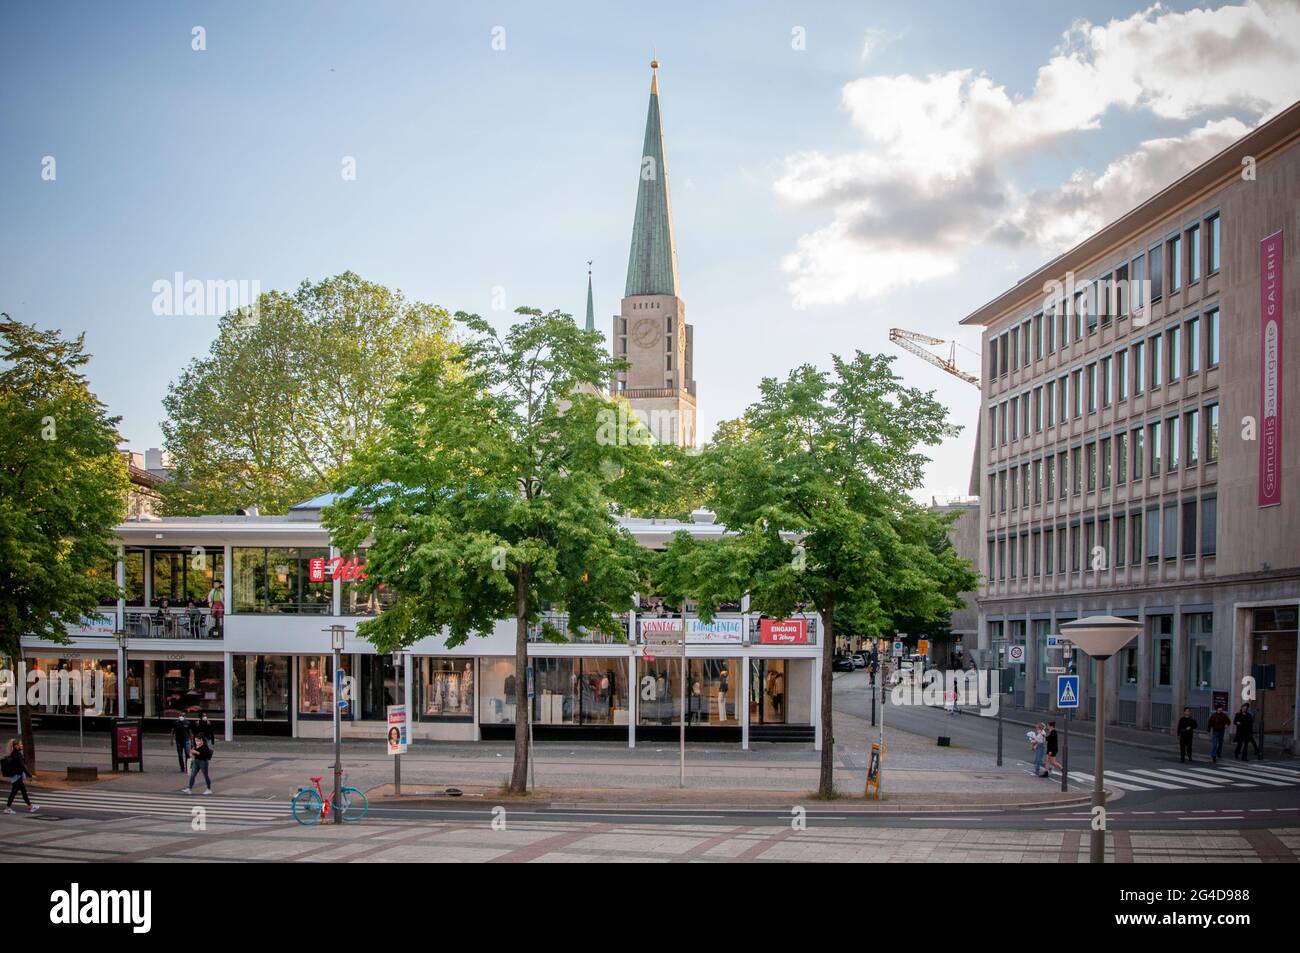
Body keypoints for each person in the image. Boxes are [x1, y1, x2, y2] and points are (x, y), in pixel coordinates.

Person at [2, 739, 39, 814]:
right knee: (14, 792)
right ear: (16, 746)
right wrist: (29, 775)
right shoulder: (18, 755)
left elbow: (21, 766)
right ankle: (7, 808)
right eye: (20, 744)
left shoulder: (14, 753)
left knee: (23, 791)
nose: (22, 745)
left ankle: (30, 807)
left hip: (17, 775)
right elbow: (22, 766)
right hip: (17, 776)